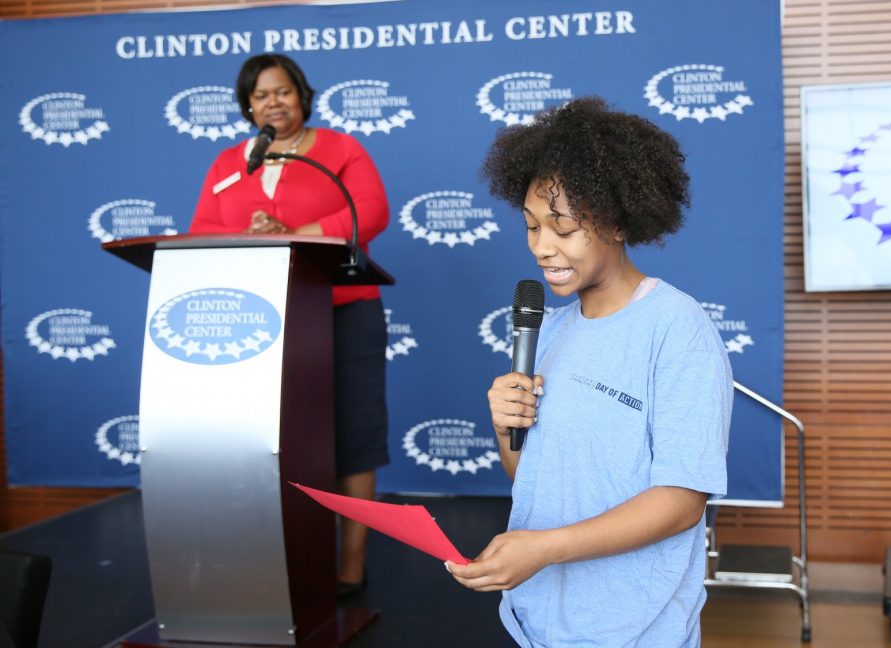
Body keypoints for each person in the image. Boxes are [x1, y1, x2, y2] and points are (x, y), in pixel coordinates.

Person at [446, 97, 732, 647]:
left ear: (618, 220)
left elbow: (680, 501)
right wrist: (505, 424)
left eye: (563, 228)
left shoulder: (677, 327)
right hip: (537, 620)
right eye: (531, 227)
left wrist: (545, 547)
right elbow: (528, 476)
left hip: (635, 628)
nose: (541, 248)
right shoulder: (547, 331)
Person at [189, 53, 390, 597]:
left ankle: (351, 563)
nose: (272, 103)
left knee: (354, 439)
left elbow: (369, 210)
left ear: (301, 94)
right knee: (279, 442)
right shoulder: (232, 161)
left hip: (344, 313)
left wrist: (292, 230)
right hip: (263, 323)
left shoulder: (338, 150)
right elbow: (201, 228)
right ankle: (282, 556)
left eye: (282, 92)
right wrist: (252, 235)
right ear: (247, 105)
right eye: (260, 95)